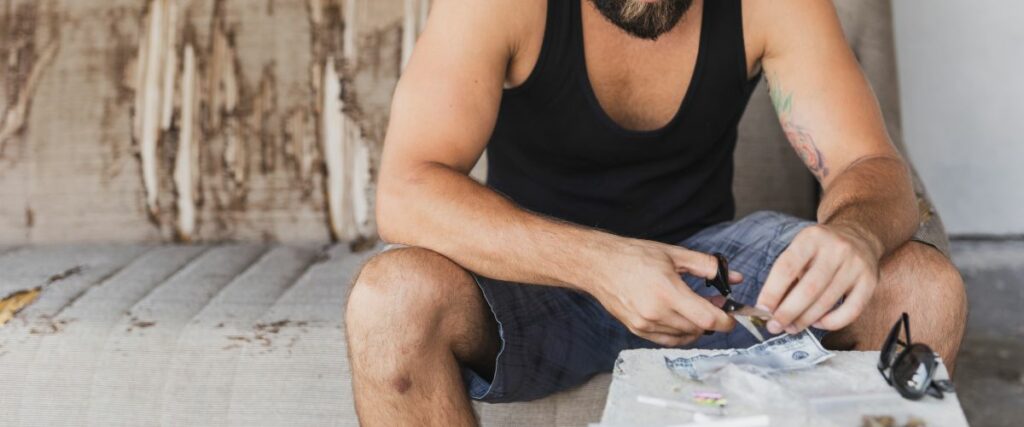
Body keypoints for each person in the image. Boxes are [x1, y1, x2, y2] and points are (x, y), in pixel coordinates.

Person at [345, 0, 967, 424]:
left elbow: (872, 165)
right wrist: (599, 262)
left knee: (921, 283)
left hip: (710, 275)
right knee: (390, 300)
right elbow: (406, 189)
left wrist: (855, 233)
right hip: (536, 279)